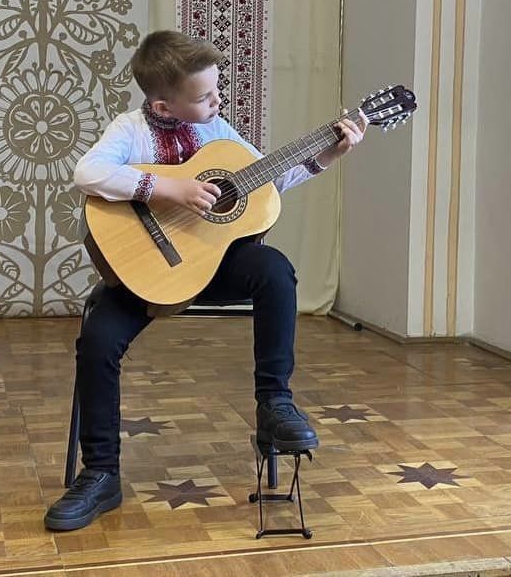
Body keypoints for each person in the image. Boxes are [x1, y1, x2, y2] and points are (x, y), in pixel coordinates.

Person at [44, 30, 367, 531]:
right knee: (97, 344)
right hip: (142, 273)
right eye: (204, 96)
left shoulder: (216, 131)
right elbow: (88, 173)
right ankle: (101, 473)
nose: (217, 102)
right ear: (163, 106)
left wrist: (327, 155)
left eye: (217, 90)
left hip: (213, 268)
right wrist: (169, 189)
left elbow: (269, 178)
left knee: (275, 270)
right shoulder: (130, 130)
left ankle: (275, 403)